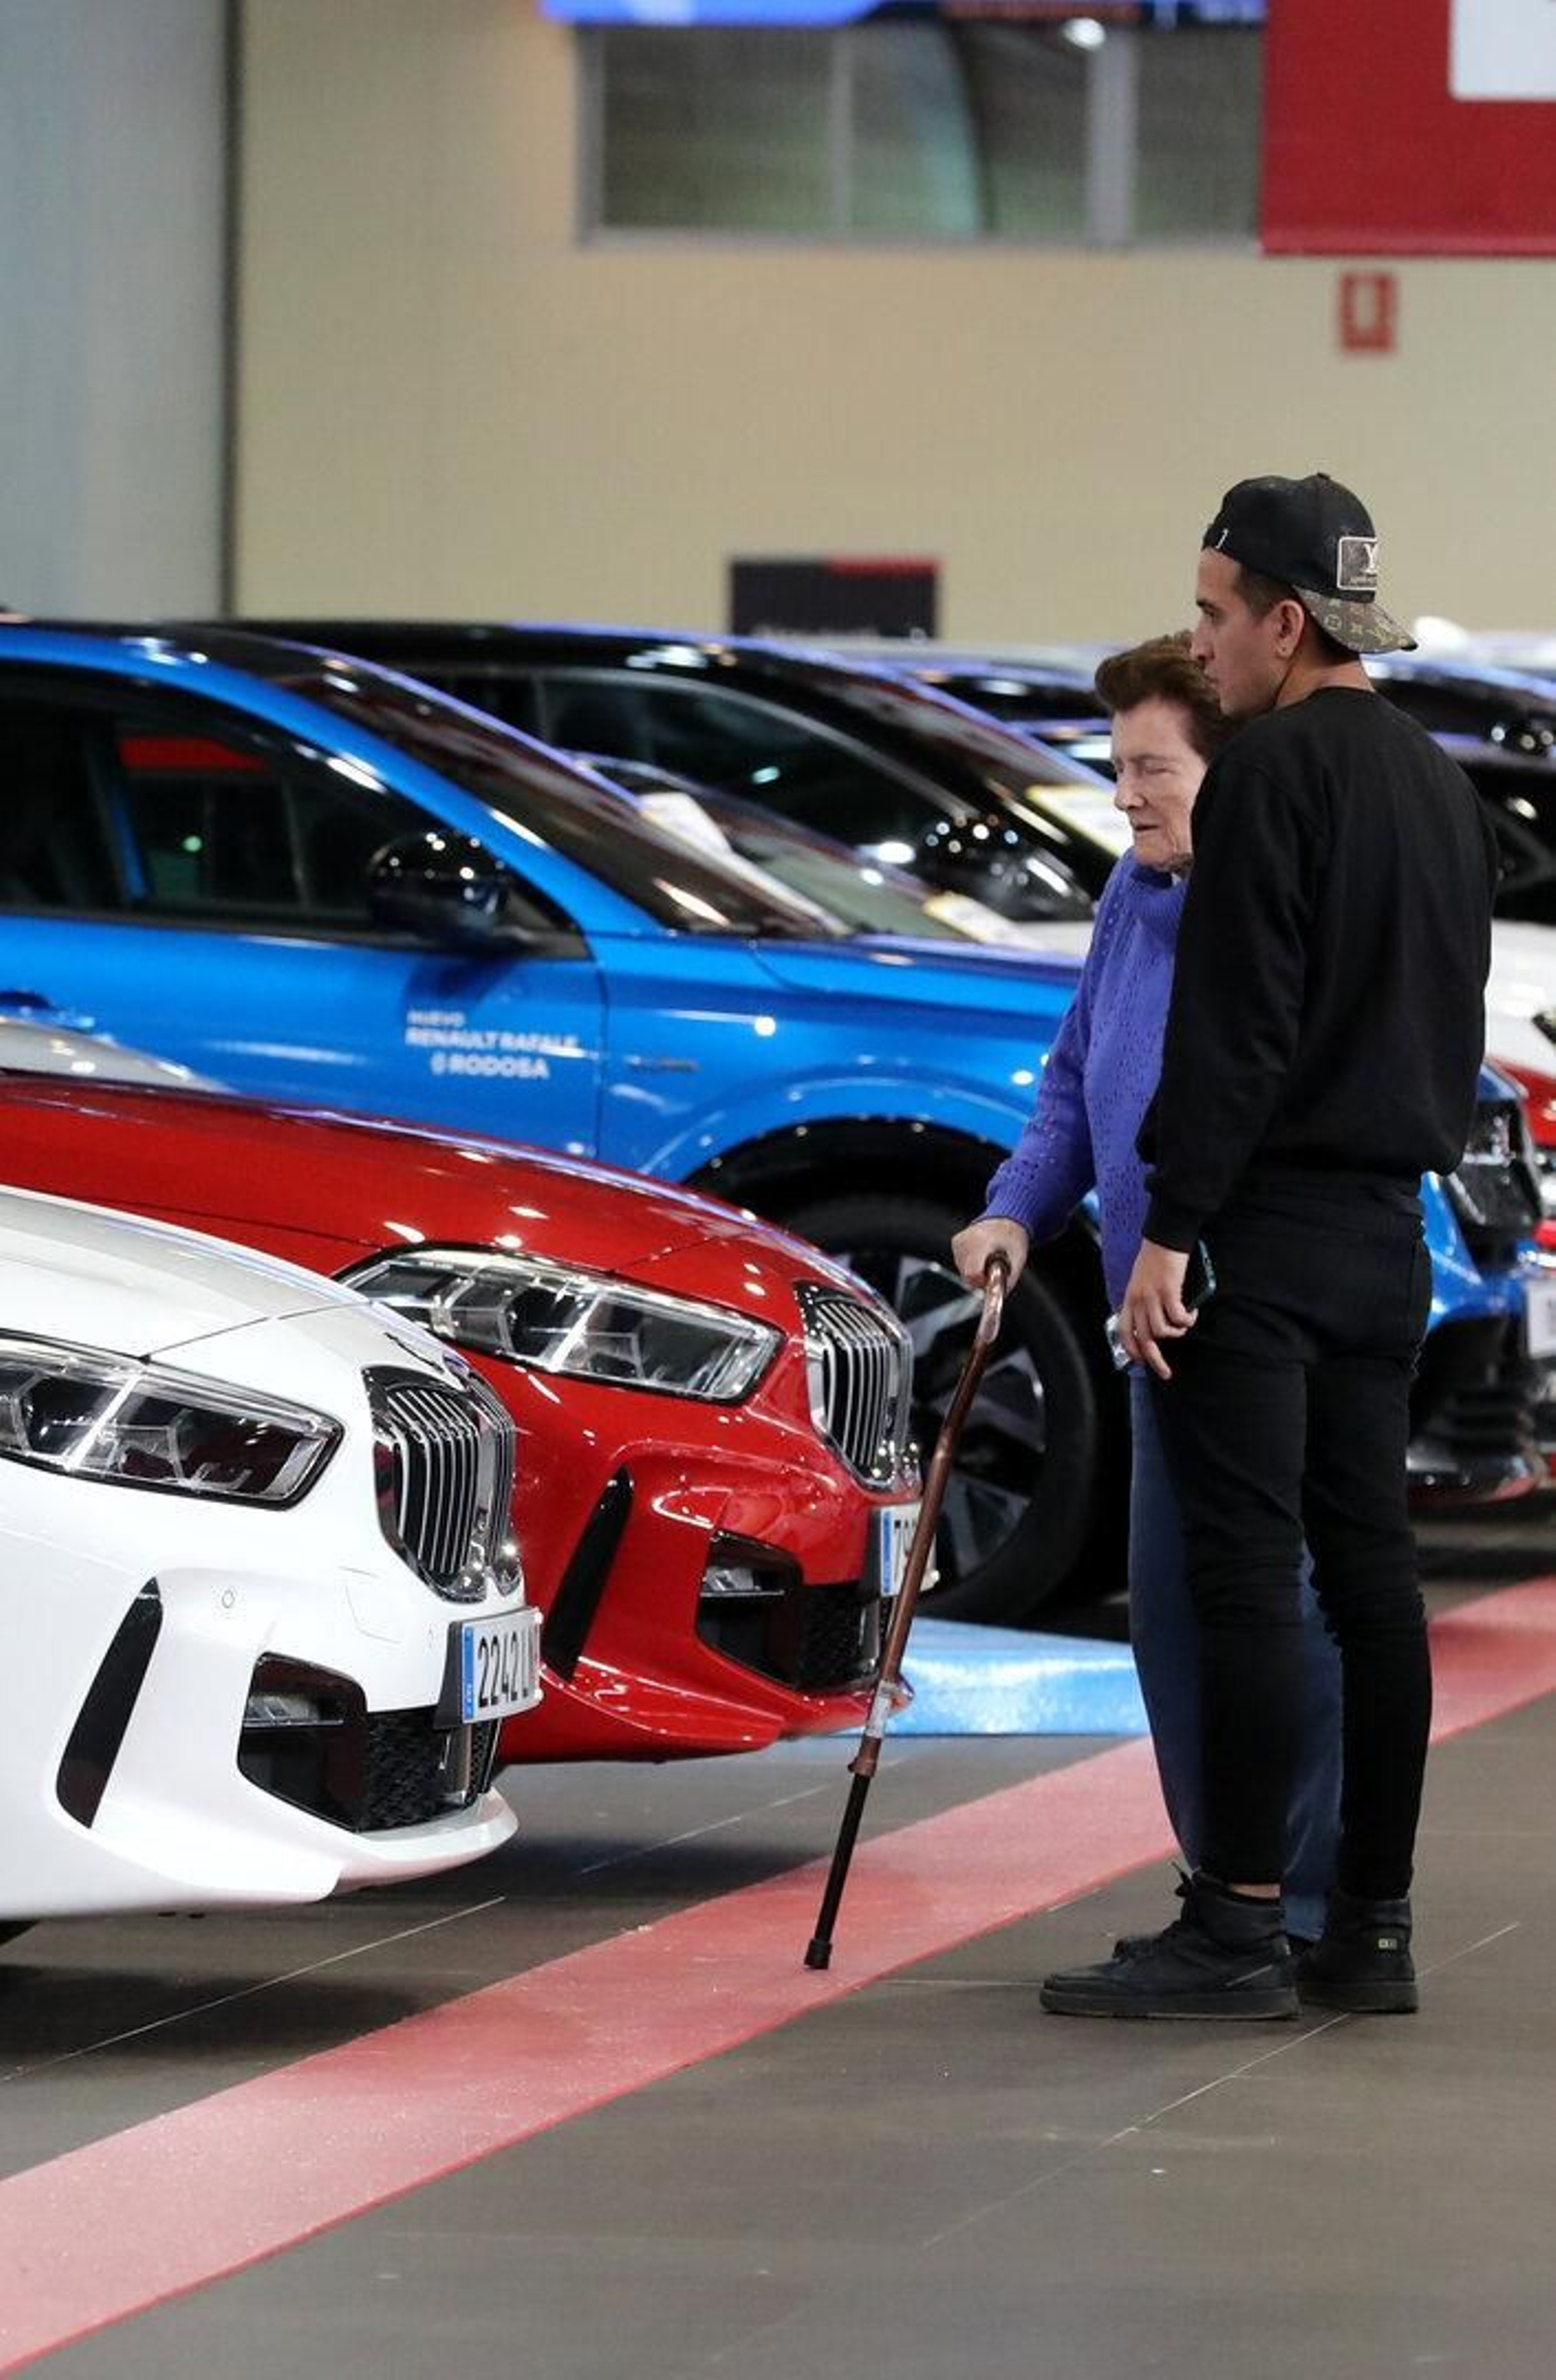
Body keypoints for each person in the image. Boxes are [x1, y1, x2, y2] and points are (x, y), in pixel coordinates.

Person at [1040, 472, 1499, 2022]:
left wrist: (1172, 1223)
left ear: (1286, 622)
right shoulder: (1438, 786)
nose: (1203, 644)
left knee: (1242, 1582)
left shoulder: (1271, 777)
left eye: (1215, 615)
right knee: (1373, 1585)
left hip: (1265, 1232)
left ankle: (1230, 1918)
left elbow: (1233, 1035)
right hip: (1389, 1238)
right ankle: (1369, 1924)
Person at [952, 634, 1341, 1951]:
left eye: (1148, 768)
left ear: (1224, 772)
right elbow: (1075, 1079)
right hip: (1147, 1325)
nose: (1123, 794)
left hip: (1240, 1309)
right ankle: (1223, 1885)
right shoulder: (1135, 892)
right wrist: (1015, 1207)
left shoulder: (1258, 903)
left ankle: (1297, 1893)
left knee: (1269, 1608)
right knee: (1173, 1621)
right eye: (1116, 767)